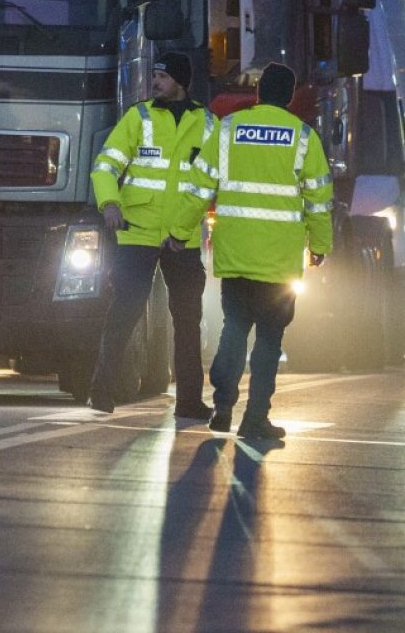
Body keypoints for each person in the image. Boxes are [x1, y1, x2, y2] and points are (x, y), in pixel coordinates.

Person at [164, 61, 333, 441]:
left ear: (258, 94)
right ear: (289, 96)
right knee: (269, 341)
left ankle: (223, 405)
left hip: (236, 255)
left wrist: (178, 230)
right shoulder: (303, 137)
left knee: (235, 328)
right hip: (279, 262)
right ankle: (256, 418)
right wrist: (319, 247)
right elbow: (320, 202)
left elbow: (198, 186)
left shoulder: (227, 131)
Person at [88, 51, 215, 418]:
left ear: (180, 81)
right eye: (154, 75)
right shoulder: (139, 117)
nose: (154, 81)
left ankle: (189, 401)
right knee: (125, 311)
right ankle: (101, 389)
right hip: (137, 231)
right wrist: (109, 203)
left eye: (162, 76)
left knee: (188, 319)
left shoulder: (207, 125)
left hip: (183, 237)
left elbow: (213, 179)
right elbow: (105, 166)